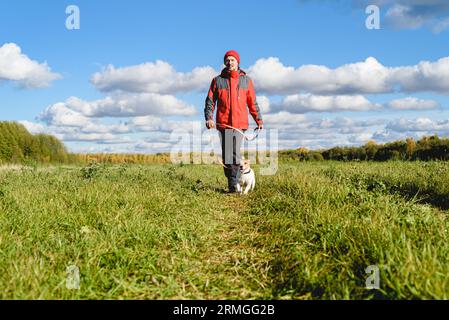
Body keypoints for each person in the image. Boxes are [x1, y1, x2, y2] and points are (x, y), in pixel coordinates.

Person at [204, 50, 264, 193]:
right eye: (227, 60)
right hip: (223, 123)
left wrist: (259, 120)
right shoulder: (217, 80)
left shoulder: (246, 81)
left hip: (239, 125)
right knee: (227, 155)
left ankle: (235, 186)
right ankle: (233, 185)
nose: (230, 62)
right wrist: (209, 118)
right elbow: (210, 101)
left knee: (235, 154)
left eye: (233, 60)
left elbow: (252, 103)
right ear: (225, 62)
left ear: (238, 62)